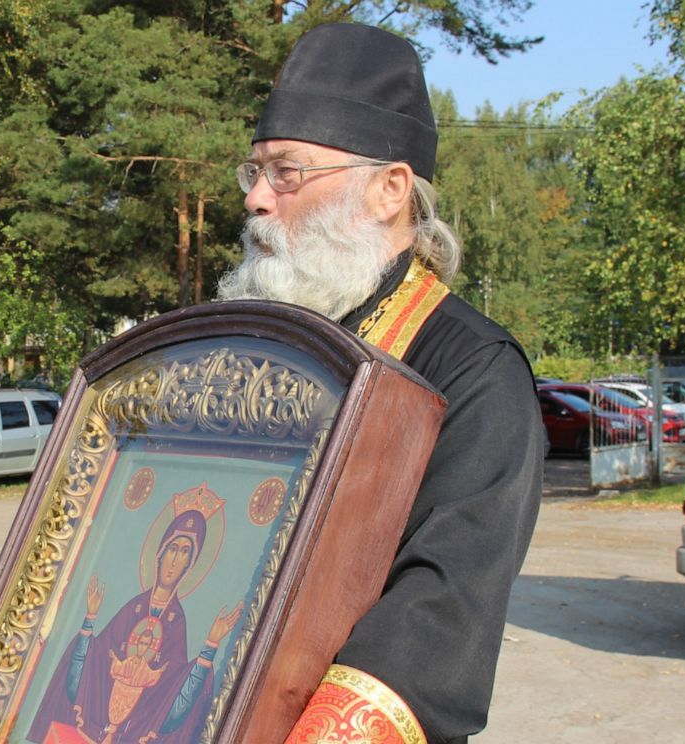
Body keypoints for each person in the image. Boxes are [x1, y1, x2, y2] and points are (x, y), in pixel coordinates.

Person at [217, 22, 544, 744]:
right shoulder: (257, 345)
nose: (257, 201)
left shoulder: (473, 370)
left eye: (288, 173)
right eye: (255, 171)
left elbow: (438, 622)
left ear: (389, 189)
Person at [26, 502, 243, 744]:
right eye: (173, 548)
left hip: (135, 727)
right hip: (97, 720)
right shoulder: (134, 607)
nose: (175, 560)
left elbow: (172, 696)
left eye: (184, 553)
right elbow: (96, 658)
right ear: (160, 553)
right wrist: (90, 619)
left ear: (189, 565)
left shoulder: (176, 621)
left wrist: (211, 645)